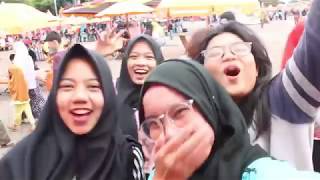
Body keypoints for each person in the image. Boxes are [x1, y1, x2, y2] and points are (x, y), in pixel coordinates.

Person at [138, 59, 320, 180]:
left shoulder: (259, 173)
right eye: (154, 123)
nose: (168, 133)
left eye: (179, 112)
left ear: (210, 110)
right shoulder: (160, 172)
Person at [192, 0, 320, 171]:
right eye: (215, 53)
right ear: (202, 73)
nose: (229, 56)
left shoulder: (284, 99)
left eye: (240, 48)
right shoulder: (195, 123)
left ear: (257, 68)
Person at [0, 44, 144, 180]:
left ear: (108, 94)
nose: (80, 97)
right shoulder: (19, 164)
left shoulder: (127, 156)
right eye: (67, 86)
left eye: (93, 86)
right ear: (54, 95)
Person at [116, 35, 164, 176]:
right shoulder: (111, 94)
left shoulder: (170, 98)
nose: (141, 63)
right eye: (134, 56)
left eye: (149, 57)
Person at [13, 42, 45, 120]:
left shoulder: (17, 59)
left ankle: (24, 117)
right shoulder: (28, 58)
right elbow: (32, 71)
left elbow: (17, 73)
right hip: (33, 83)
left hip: (23, 85)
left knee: (23, 102)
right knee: (34, 100)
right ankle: (38, 116)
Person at [7, 62, 36, 131]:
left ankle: (15, 125)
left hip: (18, 100)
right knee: (28, 112)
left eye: (10, 72)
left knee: (17, 113)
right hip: (25, 98)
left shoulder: (12, 81)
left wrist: (9, 80)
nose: (9, 74)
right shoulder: (24, 80)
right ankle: (33, 125)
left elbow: (11, 90)